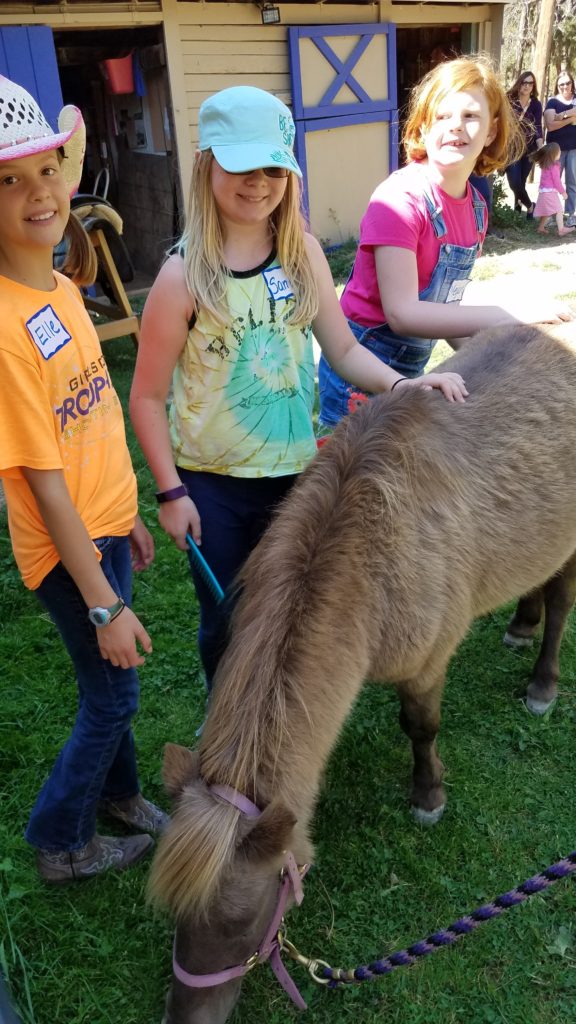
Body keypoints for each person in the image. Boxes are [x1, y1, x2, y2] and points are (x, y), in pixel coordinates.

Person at [129, 85, 467, 690]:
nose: (257, 182)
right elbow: (147, 397)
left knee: (291, 609)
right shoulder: (182, 278)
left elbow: (341, 349)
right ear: (208, 166)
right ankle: (227, 718)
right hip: (213, 486)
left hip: (294, 476)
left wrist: (403, 385)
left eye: (273, 168)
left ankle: (281, 717)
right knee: (227, 618)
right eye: (240, 166)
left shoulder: (302, 254)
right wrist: (170, 492)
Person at [0, 76, 168, 884]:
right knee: (111, 698)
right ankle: (60, 840)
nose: (38, 193)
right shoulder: (3, 332)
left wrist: (128, 513)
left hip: (104, 530)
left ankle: (122, 796)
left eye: (44, 170)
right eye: (8, 179)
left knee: (119, 681)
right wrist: (102, 599)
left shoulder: (63, 287)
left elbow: (92, 418)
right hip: (69, 554)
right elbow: (43, 485)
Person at [318, 56, 572, 429]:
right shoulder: (399, 199)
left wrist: (489, 358)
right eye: (442, 115)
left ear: (491, 131)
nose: (456, 126)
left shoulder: (476, 210)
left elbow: (443, 309)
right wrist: (505, 317)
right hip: (360, 372)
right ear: (423, 125)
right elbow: (402, 314)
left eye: (471, 116)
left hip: (413, 375)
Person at [504, 70, 543, 218]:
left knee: (521, 181)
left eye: (530, 83)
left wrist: (540, 146)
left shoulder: (536, 105)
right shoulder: (509, 100)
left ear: (533, 86)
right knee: (514, 182)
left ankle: (517, 210)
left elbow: (538, 127)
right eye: (524, 82)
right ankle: (530, 205)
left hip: (530, 149)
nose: (527, 86)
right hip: (512, 149)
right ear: (519, 83)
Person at [544, 71, 576, 227]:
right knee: (551, 182)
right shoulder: (552, 102)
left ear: (572, 84)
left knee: (572, 182)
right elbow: (550, 125)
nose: (565, 86)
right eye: (561, 84)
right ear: (557, 85)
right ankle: (551, 215)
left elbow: (555, 119)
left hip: (574, 149)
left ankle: (571, 215)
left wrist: (560, 116)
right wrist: (571, 117)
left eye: (568, 83)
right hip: (555, 150)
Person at [531, 142, 574, 237]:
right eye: (559, 152)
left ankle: (541, 228)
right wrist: (563, 192)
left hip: (543, 192)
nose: (560, 153)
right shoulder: (554, 166)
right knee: (558, 210)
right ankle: (561, 229)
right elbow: (557, 181)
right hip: (550, 193)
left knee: (547, 211)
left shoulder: (545, 165)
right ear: (554, 154)